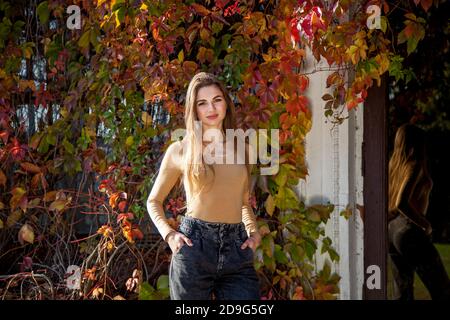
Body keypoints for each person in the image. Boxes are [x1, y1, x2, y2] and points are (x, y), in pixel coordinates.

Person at [146, 72, 262, 300]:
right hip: (194, 248)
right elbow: (154, 201)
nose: (211, 108)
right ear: (194, 109)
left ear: (226, 104)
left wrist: (254, 233)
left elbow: (242, 202)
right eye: (202, 103)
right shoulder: (180, 150)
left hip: (237, 251)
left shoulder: (244, 149)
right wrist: (170, 236)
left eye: (217, 100)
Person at [388, 123, 450, 300]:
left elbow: (392, 204)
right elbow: (401, 202)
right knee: (443, 290)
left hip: (392, 231)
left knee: (403, 294)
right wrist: (426, 224)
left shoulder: (394, 166)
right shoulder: (415, 165)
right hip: (409, 232)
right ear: (417, 144)